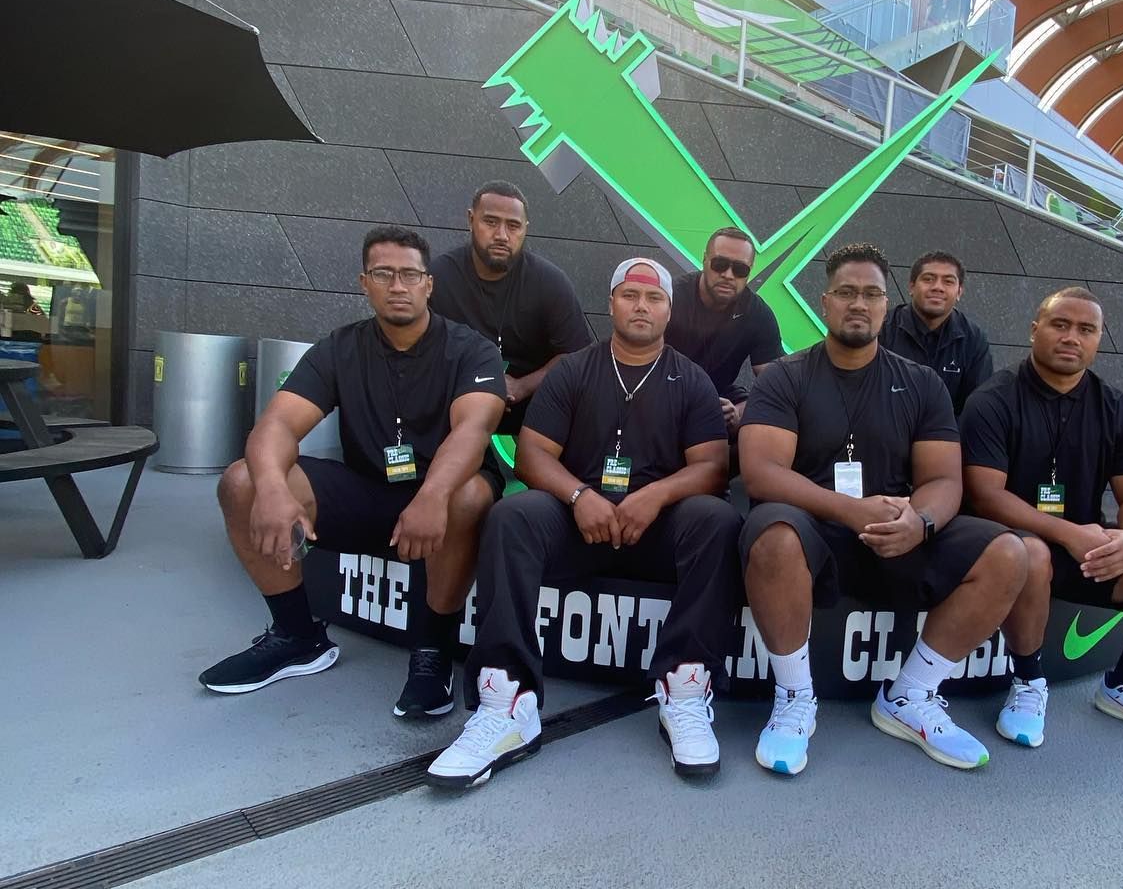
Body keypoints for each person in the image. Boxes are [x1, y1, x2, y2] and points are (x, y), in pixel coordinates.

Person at [428, 257, 742, 790]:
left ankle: (685, 688)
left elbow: (712, 467)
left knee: (715, 518)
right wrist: (579, 496)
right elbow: (532, 455)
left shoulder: (690, 379)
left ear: (669, 311)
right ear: (611, 302)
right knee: (512, 517)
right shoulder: (574, 370)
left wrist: (654, 496)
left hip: (655, 527)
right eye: (630, 295)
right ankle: (507, 700)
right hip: (580, 520)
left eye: (654, 298)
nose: (641, 306)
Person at [738, 242, 1027, 777]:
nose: (858, 304)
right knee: (772, 533)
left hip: (896, 535)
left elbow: (944, 479)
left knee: (1008, 553)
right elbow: (761, 472)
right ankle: (795, 697)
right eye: (846, 292)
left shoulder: (921, 382)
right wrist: (849, 511)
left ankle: (910, 695)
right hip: (814, 534)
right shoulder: (785, 376)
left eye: (871, 294)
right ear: (825, 302)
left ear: (885, 305)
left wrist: (921, 521)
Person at [200, 226, 507, 720]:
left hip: (442, 495)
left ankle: (433, 649)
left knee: (467, 494)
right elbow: (277, 424)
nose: (398, 286)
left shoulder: (472, 349)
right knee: (243, 482)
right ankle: (297, 636)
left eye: (410, 275)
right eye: (383, 274)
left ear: (429, 284)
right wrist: (273, 489)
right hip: (369, 488)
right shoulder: (340, 347)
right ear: (364, 283)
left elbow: (473, 429)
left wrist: (431, 496)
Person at [960, 286, 1123, 750]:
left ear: (1099, 339)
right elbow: (985, 495)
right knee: (1032, 552)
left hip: (1087, 551)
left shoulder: (1115, 407)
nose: (1071, 337)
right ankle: (1029, 682)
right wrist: (1067, 533)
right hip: (1012, 549)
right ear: (1035, 330)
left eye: (1085, 329)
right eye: (1060, 325)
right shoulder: (993, 400)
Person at [428, 180, 591, 436]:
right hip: (456, 406)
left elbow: (578, 356)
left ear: (525, 228)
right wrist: (476, 386)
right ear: (470, 220)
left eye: (513, 226)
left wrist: (521, 386)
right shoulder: (438, 278)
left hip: (535, 413)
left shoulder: (550, 282)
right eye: (491, 222)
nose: (502, 235)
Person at [666, 226, 783, 440]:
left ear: (750, 271)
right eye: (720, 264)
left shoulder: (757, 314)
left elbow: (778, 386)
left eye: (740, 269)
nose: (728, 275)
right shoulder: (670, 299)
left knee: (765, 419)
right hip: (664, 392)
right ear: (704, 260)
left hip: (717, 397)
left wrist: (738, 414)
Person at [879, 250, 993, 419]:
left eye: (948, 281)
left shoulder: (974, 340)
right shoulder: (882, 329)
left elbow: (978, 408)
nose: (937, 287)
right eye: (928, 279)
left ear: (959, 292)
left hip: (948, 434)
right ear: (911, 287)